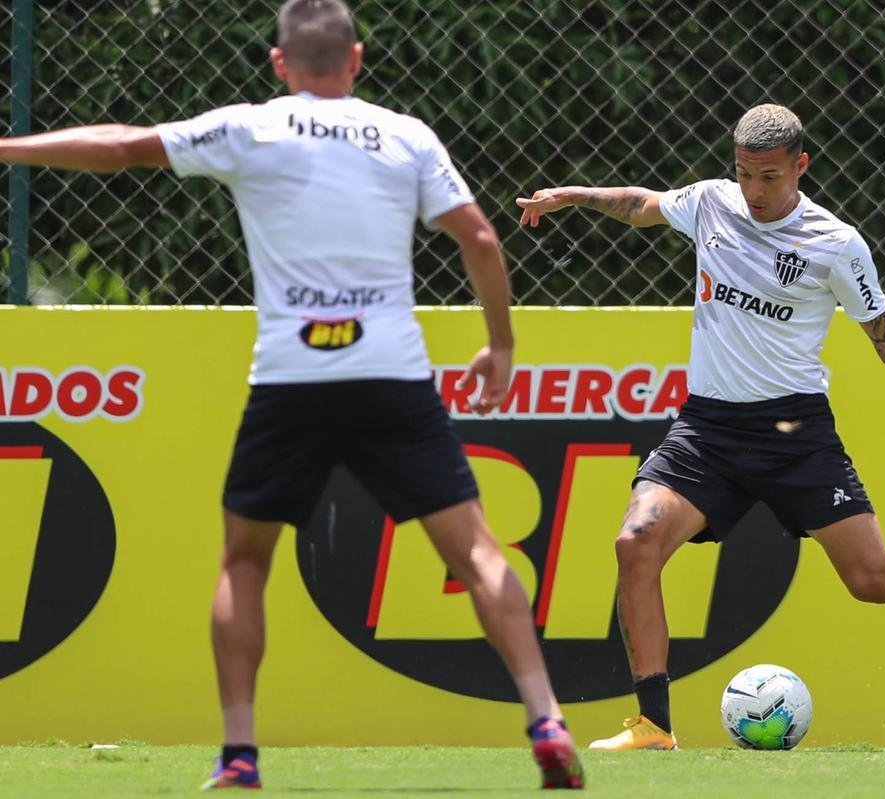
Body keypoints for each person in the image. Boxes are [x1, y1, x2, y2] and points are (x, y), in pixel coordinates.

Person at [0, 0, 584, 789]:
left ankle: (240, 753)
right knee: (477, 548)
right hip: (391, 379)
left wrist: (9, 145)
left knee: (244, 559)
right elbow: (480, 236)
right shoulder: (404, 135)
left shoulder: (252, 128)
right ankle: (545, 716)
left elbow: (124, 148)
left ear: (280, 63)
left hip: (291, 382)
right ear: (357, 58)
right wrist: (502, 344)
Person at [516, 103, 885, 751]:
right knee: (635, 541)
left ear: (800, 165)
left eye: (768, 176)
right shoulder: (711, 203)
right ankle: (654, 725)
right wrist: (573, 195)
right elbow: (643, 203)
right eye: (744, 174)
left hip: (795, 435)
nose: (755, 191)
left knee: (874, 582)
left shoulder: (835, 244)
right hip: (707, 428)